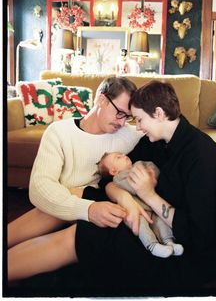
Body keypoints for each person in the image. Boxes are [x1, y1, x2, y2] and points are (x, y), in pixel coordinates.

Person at [8, 80, 216, 297]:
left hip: (175, 246)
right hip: (141, 211)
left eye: (138, 119)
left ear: (159, 113)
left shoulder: (204, 159)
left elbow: (199, 235)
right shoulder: (156, 139)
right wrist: (127, 200)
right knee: (76, 196)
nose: (137, 126)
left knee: (86, 233)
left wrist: (148, 195)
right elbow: (110, 181)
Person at [7, 76, 146, 281]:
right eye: (119, 113)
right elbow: (40, 188)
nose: (122, 122)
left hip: (101, 209)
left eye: (127, 116)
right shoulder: (60, 132)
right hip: (63, 207)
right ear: (101, 99)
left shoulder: (131, 135)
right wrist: (86, 209)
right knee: (59, 200)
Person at [97, 151, 184, 257]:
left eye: (122, 154)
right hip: (137, 211)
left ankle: (169, 242)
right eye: (118, 157)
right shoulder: (118, 179)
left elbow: (153, 167)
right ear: (114, 171)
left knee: (161, 221)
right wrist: (143, 181)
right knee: (141, 225)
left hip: (152, 207)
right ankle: (152, 245)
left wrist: (152, 174)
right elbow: (132, 188)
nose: (124, 155)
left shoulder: (139, 164)